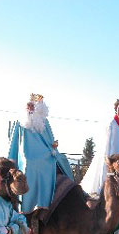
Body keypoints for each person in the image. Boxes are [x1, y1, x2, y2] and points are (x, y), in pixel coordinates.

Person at [7, 94, 74, 225]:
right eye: (29, 106)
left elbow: (50, 140)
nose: (31, 109)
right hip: (27, 155)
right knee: (30, 164)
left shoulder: (44, 122)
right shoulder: (20, 122)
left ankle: (48, 201)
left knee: (59, 161)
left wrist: (52, 148)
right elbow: (16, 145)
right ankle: (28, 206)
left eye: (33, 106)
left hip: (45, 153)